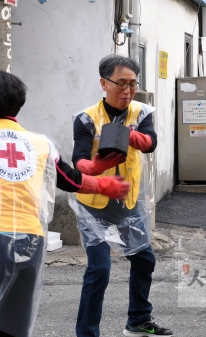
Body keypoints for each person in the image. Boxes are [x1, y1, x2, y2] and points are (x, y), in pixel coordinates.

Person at [0, 70, 130, 337]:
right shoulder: (40, 143)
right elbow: (69, 179)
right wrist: (105, 185)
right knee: (13, 327)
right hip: (30, 242)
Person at [71, 55, 171, 337]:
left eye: (132, 84)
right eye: (121, 84)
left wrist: (130, 136)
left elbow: (150, 143)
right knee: (99, 270)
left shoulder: (141, 112)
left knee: (144, 259)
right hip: (93, 206)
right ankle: (87, 333)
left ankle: (138, 320)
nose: (127, 91)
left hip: (128, 202)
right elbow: (79, 160)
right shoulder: (86, 119)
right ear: (104, 83)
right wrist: (95, 165)